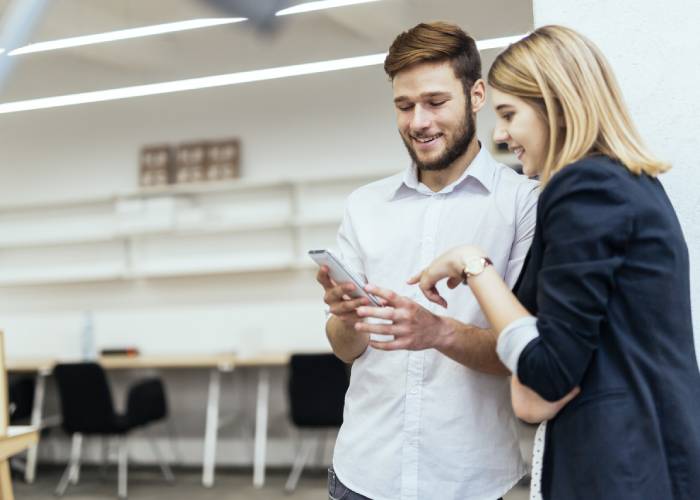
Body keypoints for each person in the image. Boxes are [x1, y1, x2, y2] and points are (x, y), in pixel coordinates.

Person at [411, 25, 700, 500]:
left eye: (508, 114)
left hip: (617, 471)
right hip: (645, 464)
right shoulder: (632, 184)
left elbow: (547, 373)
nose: (501, 135)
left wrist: (473, 265)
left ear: (555, 105)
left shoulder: (584, 188)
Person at [316, 21, 539, 500]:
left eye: (435, 102)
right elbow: (343, 348)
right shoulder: (365, 205)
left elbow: (525, 355)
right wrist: (346, 317)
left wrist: (436, 332)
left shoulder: (523, 203)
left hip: (468, 479)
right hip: (362, 472)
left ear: (476, 95)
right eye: (404, 105)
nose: (419, 121)